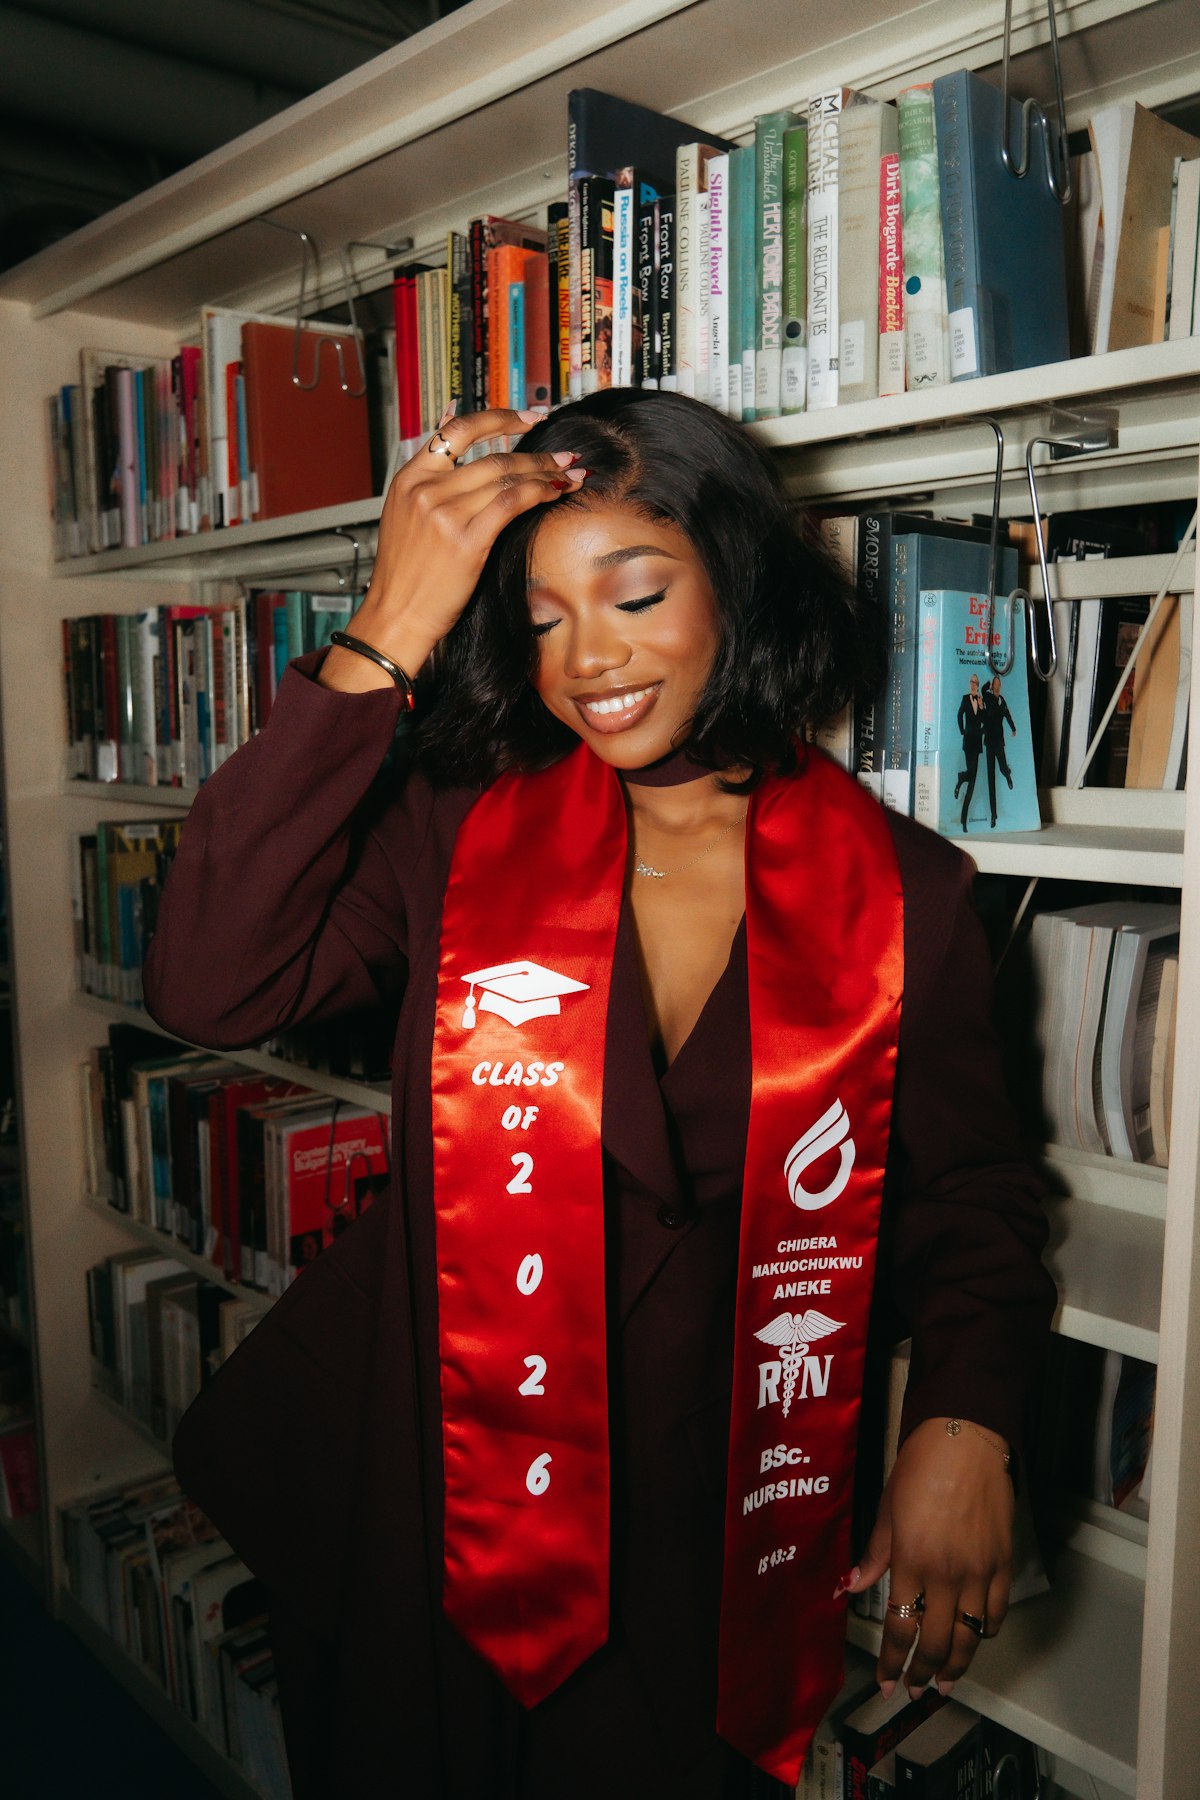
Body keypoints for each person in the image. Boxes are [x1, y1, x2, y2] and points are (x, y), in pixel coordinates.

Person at [143, 390, 1055, 1800]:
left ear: (736, 580)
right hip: (420, 1482)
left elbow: (973, 1191)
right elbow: (210, 985)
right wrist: (387, 630)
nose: (590, 661)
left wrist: (964, 1418)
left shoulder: (909, 897)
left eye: (634, 593)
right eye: (543, 617)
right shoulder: (459, 823)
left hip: (696, 1521)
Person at [981, 674, 1017, 828]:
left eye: (997, 684)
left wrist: (1013, 728)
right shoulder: (988, 697)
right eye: (994, 684)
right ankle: (993, 814)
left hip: (999, 742)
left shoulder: (1002, 701)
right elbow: (982, 690)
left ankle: (1008, 775)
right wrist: (988, 685)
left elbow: (1007, 715)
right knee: (991, 777)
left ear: (1000, 686)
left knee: (1002, 767)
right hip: (989, 740)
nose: (996, 686)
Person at [954, 673, 985, 830]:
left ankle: (963, 819)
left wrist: (981, 707)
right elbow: (959, 715)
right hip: (968, 742)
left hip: (977, 743)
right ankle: (964, 820)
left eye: (975, 682)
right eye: (971, 681)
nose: (973, 684)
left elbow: (985, 720)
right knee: (972, 778)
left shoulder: (980, 700)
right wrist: (962, 731)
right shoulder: (966, 698)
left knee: (972, 782)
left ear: (978, 685)